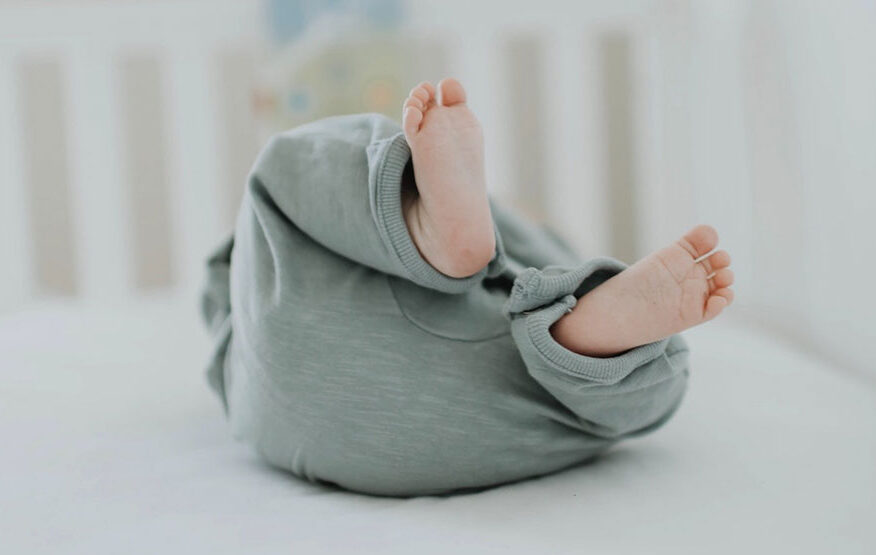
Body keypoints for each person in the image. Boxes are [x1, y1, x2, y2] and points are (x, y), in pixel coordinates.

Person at [201, 78, 734, 496]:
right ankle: (581, 347)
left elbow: (219, 288)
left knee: (287, 169)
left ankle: (410, 216)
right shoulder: (550, 261)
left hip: (301, 412)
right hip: (482, 413)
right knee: (655, 376)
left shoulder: (248, 316)